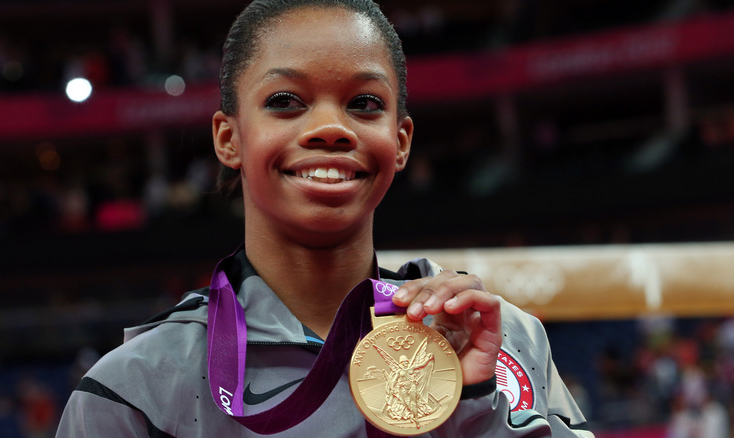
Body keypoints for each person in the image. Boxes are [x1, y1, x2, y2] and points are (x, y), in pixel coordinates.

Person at [56, 0, 593, 436]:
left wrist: (476, 404)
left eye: (364, 103)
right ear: (229, 138)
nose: (332, 128)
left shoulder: (506, 342)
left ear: (401, 141)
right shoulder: (137, 386)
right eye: (286, 100)